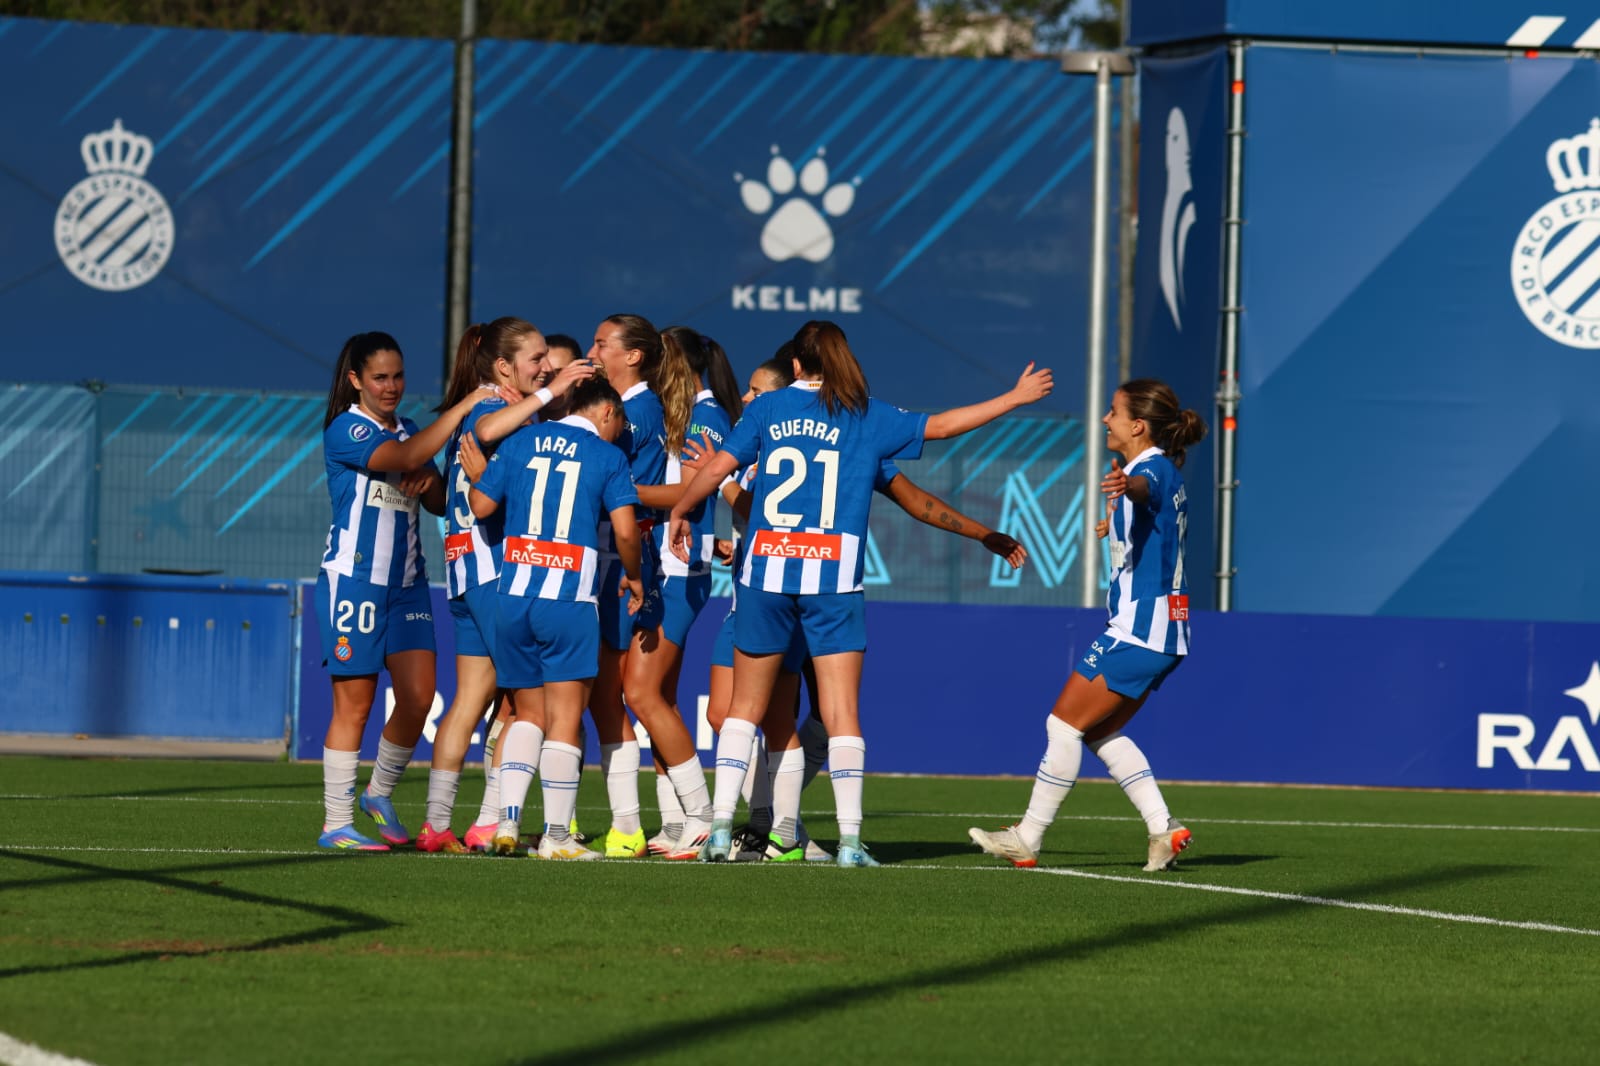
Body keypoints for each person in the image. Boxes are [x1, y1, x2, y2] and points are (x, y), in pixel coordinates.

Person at [667, 319, 1052, 866]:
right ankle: (848, 842)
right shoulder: (866, 418)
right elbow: (941, 430)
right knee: (841, 713)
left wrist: (681, 512)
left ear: (796, 366)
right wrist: (1013, 398)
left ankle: (723, 831)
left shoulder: (766, 411)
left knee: (742, 711)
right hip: (832, 581)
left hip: (766, 579)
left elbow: (717, 471)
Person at [969, 378, 1206, 871]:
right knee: (1099, 734)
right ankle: (1164, 829)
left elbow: (1146, 489)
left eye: (1114, 412)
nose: (1105, 419)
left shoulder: (1151, 470)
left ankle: (1027, 837)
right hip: (1162, 631)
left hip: (1140, 629)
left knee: (1062, 724)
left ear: (1137, 425)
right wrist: (1113, 522)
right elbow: (1150, 521)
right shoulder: (1154, 470)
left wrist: (1126, 488)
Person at [417, 319, 594, 854]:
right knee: (525, 701)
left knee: (472, 699)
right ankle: (493, 820)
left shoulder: (501, 405)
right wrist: (551, 392)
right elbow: (489, 438)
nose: (547, 366)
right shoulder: (494, 406)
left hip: (466, 570)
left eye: (547, 359)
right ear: (502, 367)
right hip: (494, 571)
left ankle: (437, 826)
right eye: (537, 358)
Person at [314, 331, 482, 851]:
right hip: (354, 583)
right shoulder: (347, 429)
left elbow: (432, 497)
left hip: (408, 585)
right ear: (355, 381)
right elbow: (407, 454)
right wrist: (464, 408)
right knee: (355, 707)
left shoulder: (408, 428)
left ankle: (379, 793)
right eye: (380, 377)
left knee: (418, 697)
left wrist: (428, 483)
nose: (391, 387)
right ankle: (336, 823)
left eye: (398, 376)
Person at [467, 377, 644, 860]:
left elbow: (480, 505)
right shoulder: (608, 457)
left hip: (514, 596)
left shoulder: (521, 439)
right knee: (565, 718)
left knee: (527, 714)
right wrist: (635, 576)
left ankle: (506, 824)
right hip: (567, 600)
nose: (618, 433)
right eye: (619, 424)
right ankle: (557, 838)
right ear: (607, 412)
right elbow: (626, 532)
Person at [583, 314, 718, 860]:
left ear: (633, 355)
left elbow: (684, 490)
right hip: (626, 565)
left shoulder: (637, 412)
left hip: (654, 568)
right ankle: (656, 823)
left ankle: (702, 816)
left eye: (601, 343)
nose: (592, 351)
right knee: (618, 697)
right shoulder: (646, 410)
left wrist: (611, 490)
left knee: (638, 694)